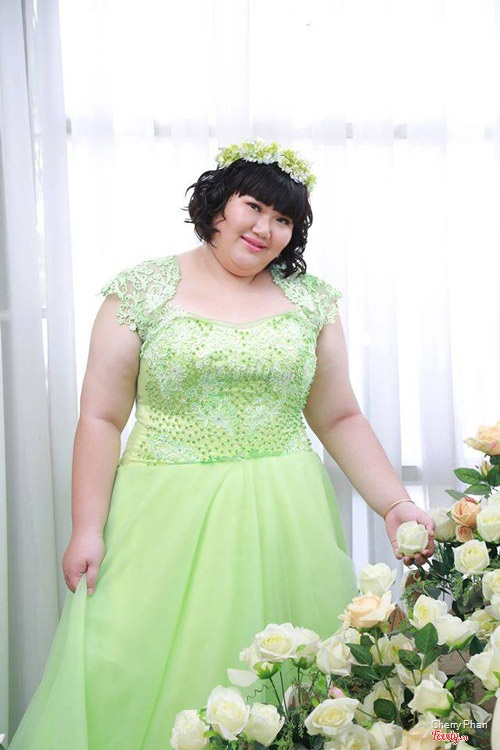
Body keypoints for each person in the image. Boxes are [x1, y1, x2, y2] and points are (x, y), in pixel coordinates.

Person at [9, 139, 435, 749]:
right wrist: (87, 528)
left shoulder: (310, 300)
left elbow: (339, 416)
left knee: (292, 682)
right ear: (215, 205)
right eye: (253, 207)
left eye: (283, 218)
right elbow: (100, 417)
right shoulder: (143, 290)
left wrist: (394, 503)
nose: (265, 228)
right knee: (127, 661)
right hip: (162, 510)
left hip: (286, 511)